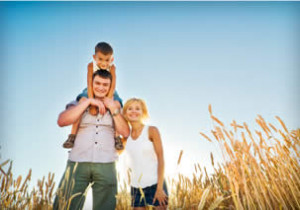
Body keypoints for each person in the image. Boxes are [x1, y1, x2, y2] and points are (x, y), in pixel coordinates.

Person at [53, 70, 130, 210]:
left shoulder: (117, 105)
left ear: (110, 86)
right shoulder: (79, 102)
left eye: (105, 84)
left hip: (107, 164)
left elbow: (125, 132)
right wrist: (88, 102)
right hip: (77, 163)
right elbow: (62, 120)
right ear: (91, 83)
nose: (101, 87)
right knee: (64, 206)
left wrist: (113, 108)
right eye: (98, 83)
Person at [63, 42, 124, 150]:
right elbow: (89, 83)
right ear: (94, 57)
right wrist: (91, 103)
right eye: (100, 59)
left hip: (110, 90)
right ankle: (72, 135)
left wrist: (108, 101)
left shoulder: (112, 68)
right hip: (91, 89)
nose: (104, 63)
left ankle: (117, 137)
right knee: (81, 102)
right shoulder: (91, 66)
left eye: (107, 60)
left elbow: (113, 84)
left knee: (117, 105)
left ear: (112, 59)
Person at [122, 98, 168, 209]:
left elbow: (161, 158)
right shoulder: (125, 139)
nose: (134, 111)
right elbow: (114, 153)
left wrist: (159, 188)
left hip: (155, 184)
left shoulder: (152, 131)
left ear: (143, 112)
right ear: (125, 113)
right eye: (130, 108)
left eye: (138, 108)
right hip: (136, 188)